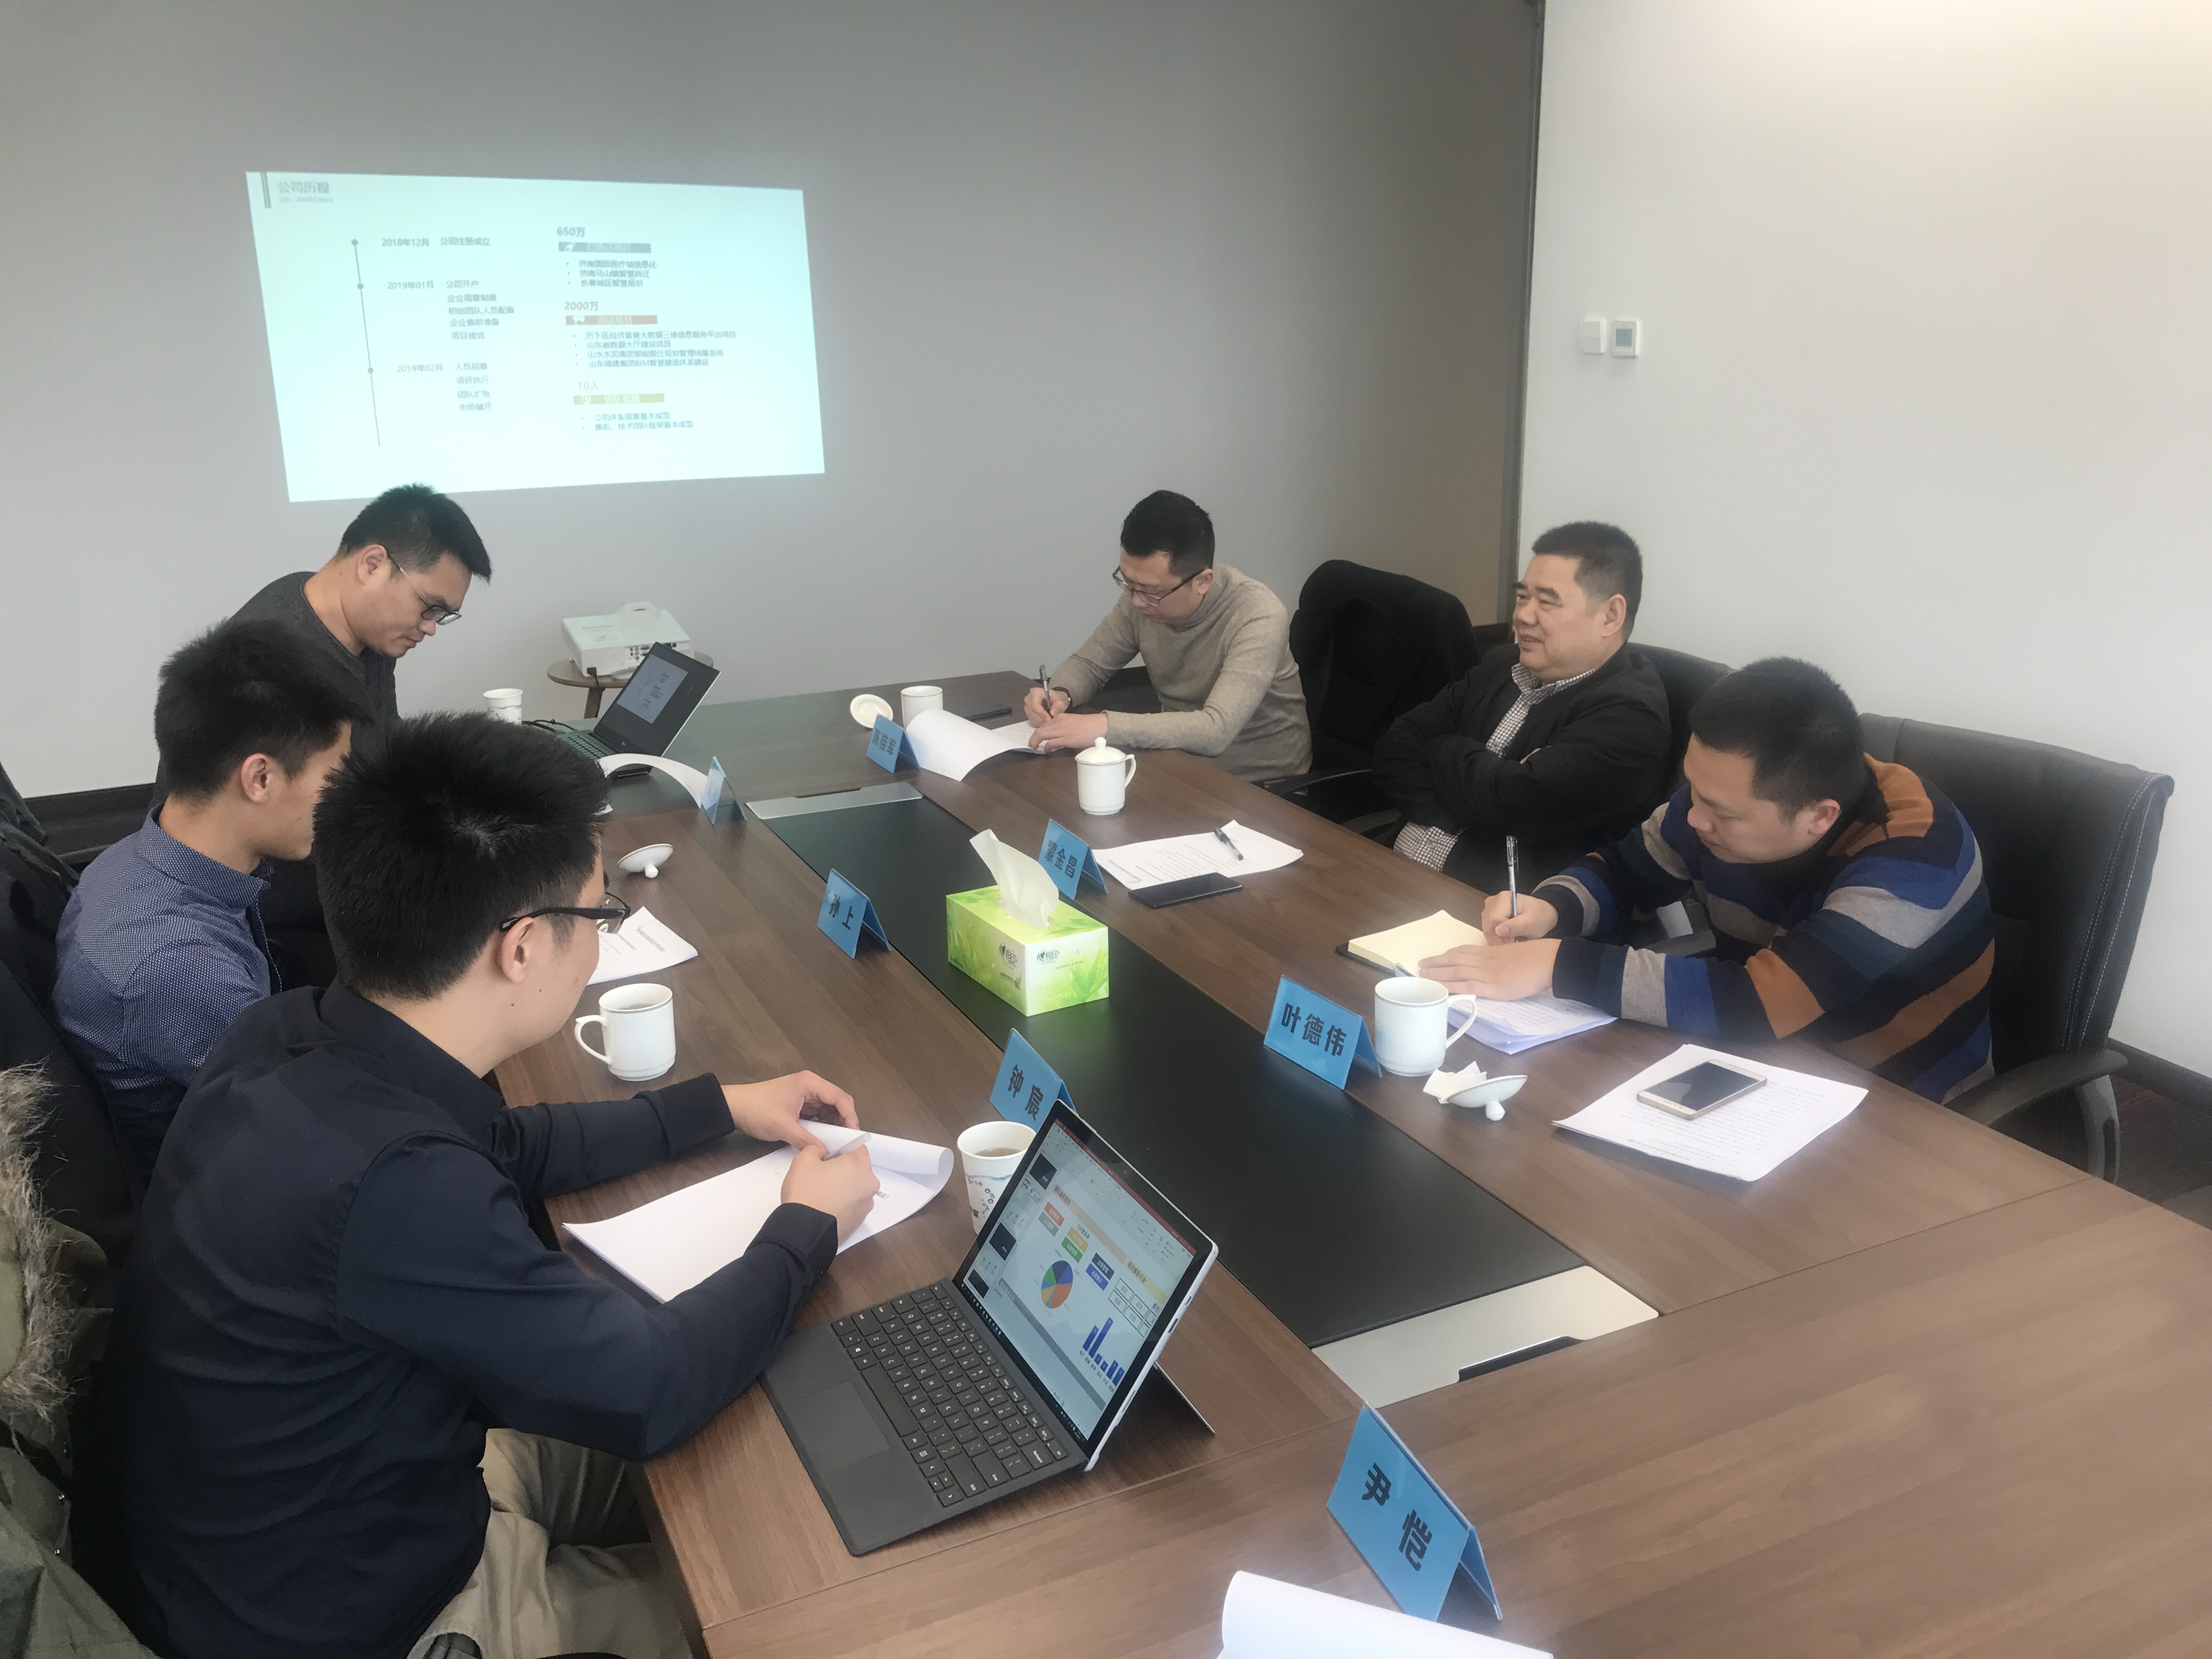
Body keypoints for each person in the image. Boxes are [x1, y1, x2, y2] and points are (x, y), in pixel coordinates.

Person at [95, 715, 881, 1659]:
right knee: (804, 1612)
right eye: (599, 915)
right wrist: (806, 1225)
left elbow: (501, 1142)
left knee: (767, 1442)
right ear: (522, 947)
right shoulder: (398, 1187)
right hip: (370, 1613)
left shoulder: (287, 1033)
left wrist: (717, 1107)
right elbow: (651, 1386)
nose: (600, 940)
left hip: (330, 1505)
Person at [1420, 658, 1994, 1103]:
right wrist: (1550, 910)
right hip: (1758, 1067)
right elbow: (1626, 872)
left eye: (1721, 812)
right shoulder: (1718, 801)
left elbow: (1762, 1002)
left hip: (1903, 1106)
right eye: (1692, 789)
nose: (1694, 819)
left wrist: (1557, 964)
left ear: (1819, 817)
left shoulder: (1916, 853)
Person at [53, 619, 370, 1177]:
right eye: (334, 775)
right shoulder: (180, 968)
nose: (341, 797)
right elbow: (310, 1131)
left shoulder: (134, 858)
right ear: (260, 778)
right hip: (217, 1181)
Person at [232, 482, 493, 986]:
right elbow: (291, 836)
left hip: (329, 882)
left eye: (442, 616)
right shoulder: (278, 663)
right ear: (372, 564)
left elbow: (383, 757)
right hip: (275, 923)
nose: (430, 627)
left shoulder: (351, 626)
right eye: (428, 606)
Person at [1372, 522, 1669, 890]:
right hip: (1391, 868)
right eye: (1523, 597)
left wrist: (1442, 749)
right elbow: (1395, 748)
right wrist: (1471, 800)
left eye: (1546, 602)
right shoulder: (1501, 665)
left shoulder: (1631, 717)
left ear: (1610, 616)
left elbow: (1516, 805)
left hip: (1482, 905)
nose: (1524, 616)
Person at [1024, 489, 1311, 780]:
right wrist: (1060, 694)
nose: (1136, 601)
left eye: (1151, 592)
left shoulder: (1258, 615)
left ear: (1202, 582)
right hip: (1177, 762)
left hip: (1261, 784)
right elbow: (1089, 664)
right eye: (1128, 583)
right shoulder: (1142, 598)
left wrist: (1105, 725)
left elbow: (1217, 729)